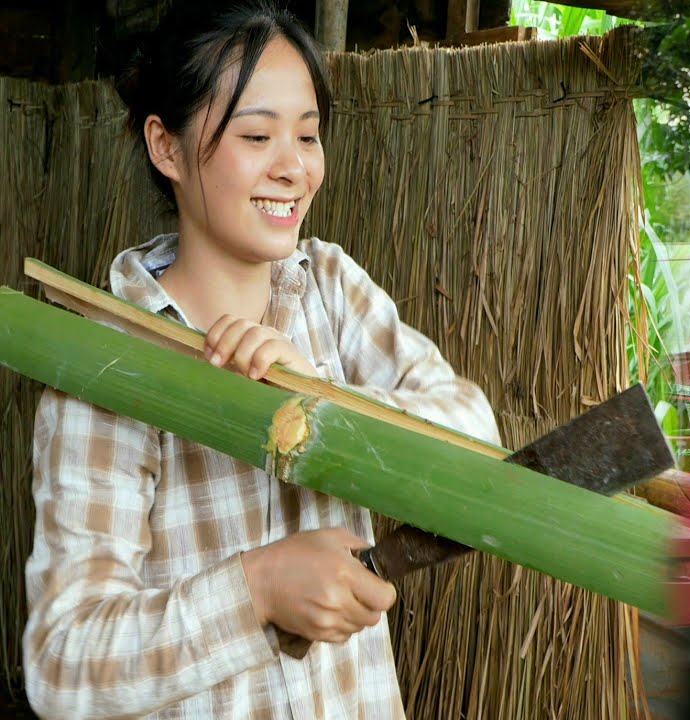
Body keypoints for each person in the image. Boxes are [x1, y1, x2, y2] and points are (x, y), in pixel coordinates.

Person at [22, 3, 500, 717]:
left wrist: (322, 400)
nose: (295, 167)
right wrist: (257, 590)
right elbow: (64, 667)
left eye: (308, 136)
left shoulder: (331, 290)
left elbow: (477, 435)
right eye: (256, 135)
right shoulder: (107, 365)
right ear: (168, 148)